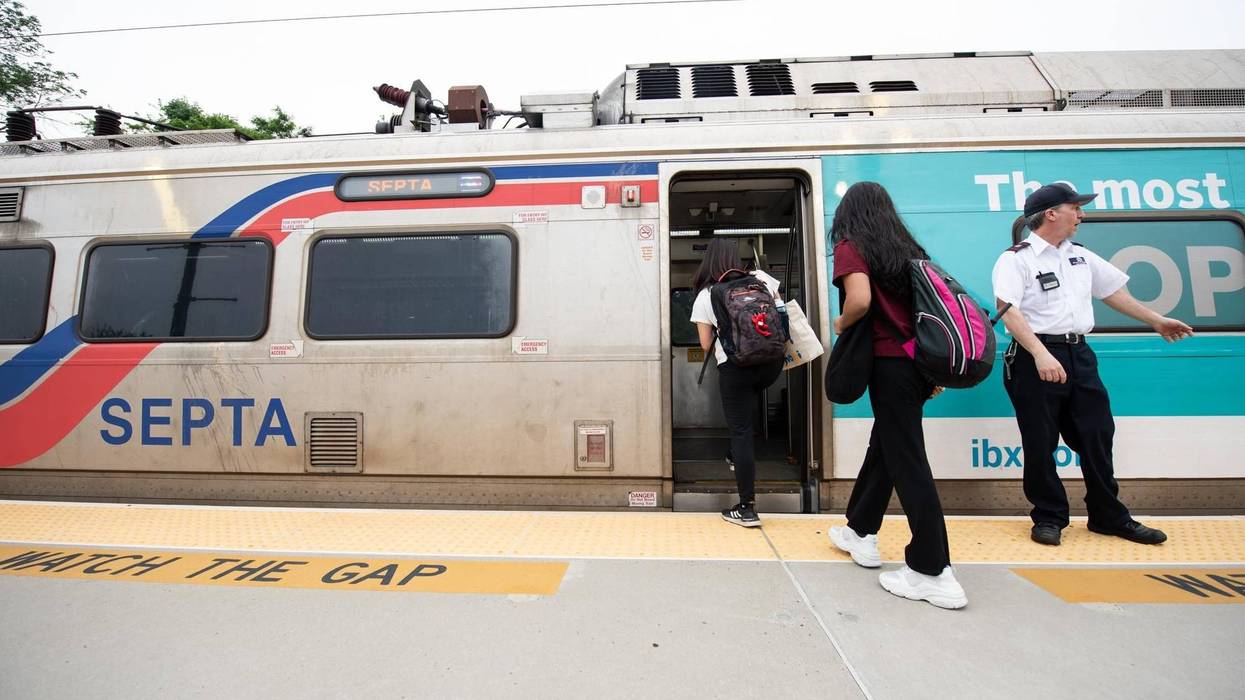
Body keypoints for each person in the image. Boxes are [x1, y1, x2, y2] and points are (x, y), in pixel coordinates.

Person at [992, 182, 1194, 547]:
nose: (1081, 215)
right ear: (1051, 214)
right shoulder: (1016, 258)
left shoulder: (1080, 255)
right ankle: (1049, 517)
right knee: (1040, 442)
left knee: (1097, 436)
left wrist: (1155, 319)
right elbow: (1008, 311)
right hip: (1034, 356)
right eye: (1076, 208)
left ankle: (1108, 516)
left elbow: (1113, 292)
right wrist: (1040, 354)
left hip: (1079, 355)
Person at [826, 182, 967, 610]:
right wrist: (927, 372)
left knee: (907, 460)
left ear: (848, 214)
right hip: (914, 364)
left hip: (889, 365)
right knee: (886, 447)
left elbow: (861, 300)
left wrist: (841, 322)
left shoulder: (853, 246)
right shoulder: (907, 249)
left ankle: (932, 570)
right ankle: (860, 531)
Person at [690, 237, 785, 528]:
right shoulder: (762, 281)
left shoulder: (707, 294)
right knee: (748, 407)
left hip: (736, 368)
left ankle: (746, 508)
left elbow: (706, 345)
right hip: (771, 364)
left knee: (740, 432)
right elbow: (781, 317)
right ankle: (735, 453)